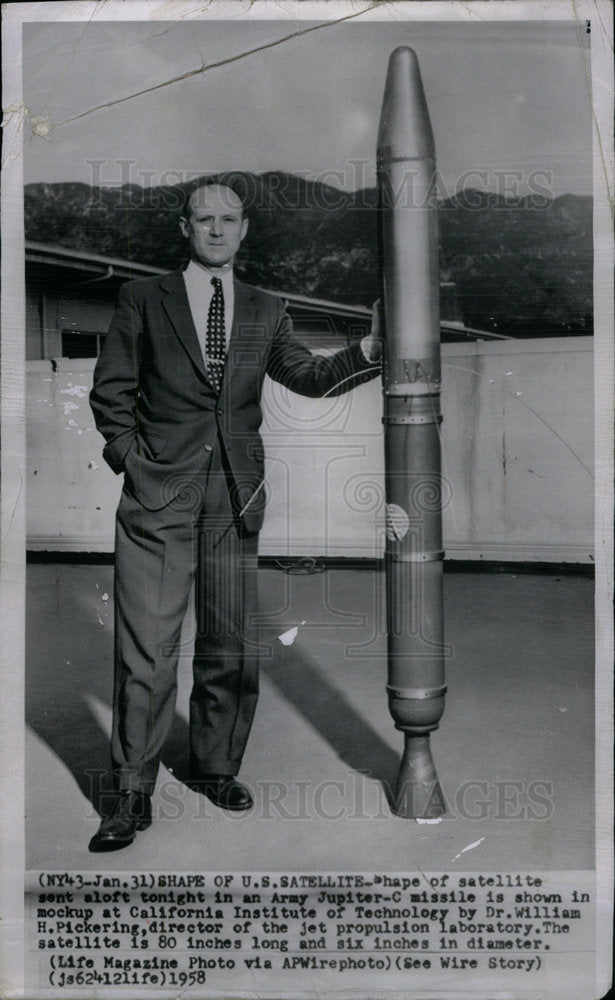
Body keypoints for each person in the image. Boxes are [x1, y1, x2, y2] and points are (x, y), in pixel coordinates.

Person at [89, 176, 381, 850]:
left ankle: (216, 768)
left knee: (228, 646)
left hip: (234, 496)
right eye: (202, 219)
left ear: (244, 228)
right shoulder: (142, 298)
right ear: (183, 228)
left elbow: (307, 378)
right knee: (147, 652)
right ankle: (131, 793)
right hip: (158, 496)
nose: (216, 230)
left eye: (228, 219)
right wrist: (136, 464)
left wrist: (368, 351)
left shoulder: (263, 308)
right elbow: (112, 395)